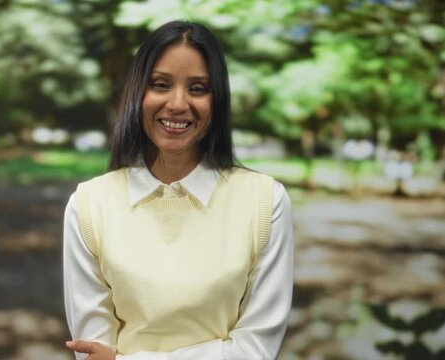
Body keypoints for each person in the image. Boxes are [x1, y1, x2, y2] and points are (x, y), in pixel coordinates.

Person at [63, 20, 294, 360]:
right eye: (160, 84)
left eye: (198, 88)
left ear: (217, 101)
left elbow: (256, 349)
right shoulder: (89, 205)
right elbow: (93, 352)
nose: (177, 103)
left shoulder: (265, 202)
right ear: (138, 92)